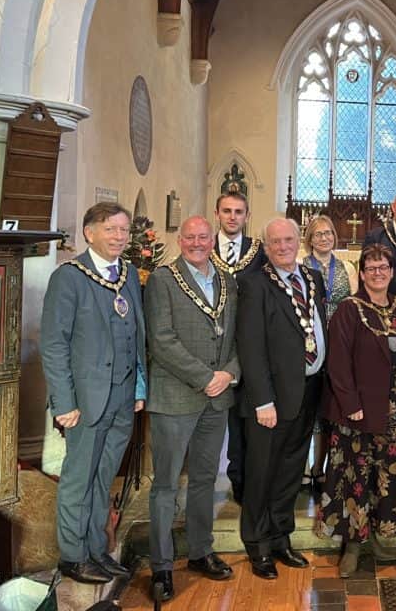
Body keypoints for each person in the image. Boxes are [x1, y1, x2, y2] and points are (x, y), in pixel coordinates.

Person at [40, 202, 147, 585]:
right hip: (84, 403)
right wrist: (64, 404)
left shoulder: (129, 274)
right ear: (89, 233)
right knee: (78, 479)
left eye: (123, 230)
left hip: (121, 399)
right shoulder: (69, 277)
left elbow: (138, 335)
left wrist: (139, 386)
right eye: (110, 229)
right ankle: (72, 556)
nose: (119, 237)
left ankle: (96, 550)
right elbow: (53, 345)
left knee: (104, 478)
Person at [143, 216, 238, 601]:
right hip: (176, 397)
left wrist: (229, 373)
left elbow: (237, 337)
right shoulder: (163, 281)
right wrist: (205, 376)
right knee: (166, 485)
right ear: (180, 241)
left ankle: (201, 551)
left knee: (203, 480)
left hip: (218, 398)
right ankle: (162, 566)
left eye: (204, 237)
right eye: (190, 237)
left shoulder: (228, 281)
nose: (198, 243)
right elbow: (161, 341)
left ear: (212, 240)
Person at [314, 244, 396, 577]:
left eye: (384, 267)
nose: (378, 273)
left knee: (387, 476)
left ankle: (376, 536)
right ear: (361, 273)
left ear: (392, 272)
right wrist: (351, 405)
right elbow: (338, 361)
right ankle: (352, 545)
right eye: (371, 268)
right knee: (355, 478)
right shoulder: (350, 308)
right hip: (358, 412)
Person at [236, 217, 328, 579]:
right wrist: (262, 401)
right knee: (261, 472)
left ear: (298, 241)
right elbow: (251, 346)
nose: (283, 246)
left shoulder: (312, 278)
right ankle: (257, 545)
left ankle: (280, 537)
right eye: (275, 242)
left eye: (289, 239)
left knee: (291, 470)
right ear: (266, 246)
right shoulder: (254, 284)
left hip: (308, 389)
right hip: (270, 399)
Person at [212, 190, 267, 506]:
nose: (232, 217)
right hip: (214, 346)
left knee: (244, 420)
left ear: (247, 216)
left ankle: (243, 482)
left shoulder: (257, 252)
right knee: (218, 420)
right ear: (217, 213)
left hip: (249, 345)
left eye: (238, 212)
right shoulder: (204, 248)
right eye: (227, 211)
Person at [301, 214, 356, 492]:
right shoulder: (300, 266)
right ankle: (303, 467)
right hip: (309, 340)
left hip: (340, 339)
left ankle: (320, 467)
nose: (324, 238)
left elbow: (354, 303)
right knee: (306, 407)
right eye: (318, 234)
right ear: (309, 238)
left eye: (328, 233)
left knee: (328, 407)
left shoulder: (347, 267)